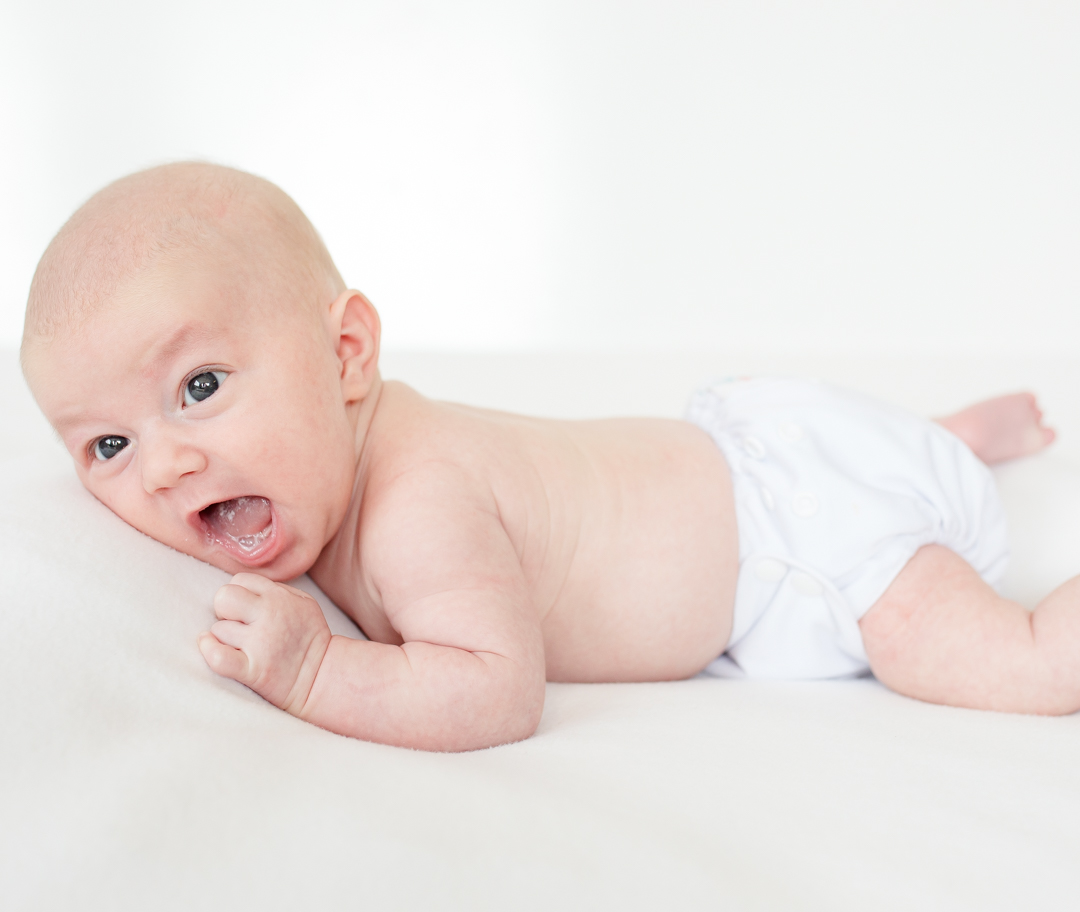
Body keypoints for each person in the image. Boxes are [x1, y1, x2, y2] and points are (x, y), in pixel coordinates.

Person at [20, 163, 1067, 752]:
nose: (159, 469)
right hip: (759, 460)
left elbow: (496, 689)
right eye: (106, 445)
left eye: (199, 388)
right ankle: (948, 442)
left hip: (804, 541)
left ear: (346, 355)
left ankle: (949, 469)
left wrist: (318, 668)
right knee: (895, 464)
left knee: (1010, 664)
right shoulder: (336, 473)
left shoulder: (417, 501)